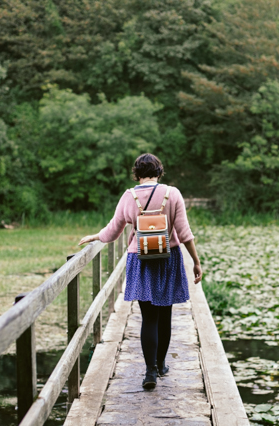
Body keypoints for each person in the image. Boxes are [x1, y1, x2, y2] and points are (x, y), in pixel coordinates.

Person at [78, 153, 202, 389]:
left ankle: (150, 372)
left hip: (141, 258)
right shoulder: (172, 193)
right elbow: (184, 232)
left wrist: (96, 236)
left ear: (136, 173)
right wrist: (196, 261)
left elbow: (113, 230)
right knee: (165, 315)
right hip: (168, 258)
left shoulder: (129, 196)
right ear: (159, 171)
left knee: (148, 317)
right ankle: (161, 363)